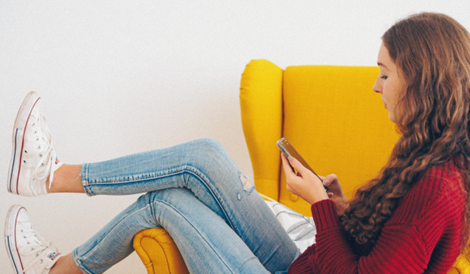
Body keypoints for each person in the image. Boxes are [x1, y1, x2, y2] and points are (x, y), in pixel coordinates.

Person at [4, 12, 470, 274]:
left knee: (164, 202)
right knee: (204, 156)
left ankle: (55, 265)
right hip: (303, 268)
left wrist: (319, 209)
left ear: (421, 81)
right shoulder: (426, 156)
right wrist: (341, 206)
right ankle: (51, 179)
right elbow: (383, 253)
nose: (376, 87)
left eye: (385, 74)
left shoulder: (438, 185)